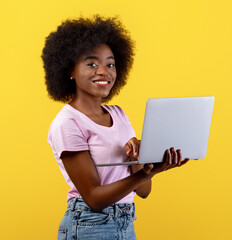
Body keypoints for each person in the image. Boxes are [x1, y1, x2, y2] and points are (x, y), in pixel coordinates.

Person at [42, 15, 189, 240]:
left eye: (110, 64)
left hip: (125, 222)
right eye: (92, 64)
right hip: (89, 224)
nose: (104, 71)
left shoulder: (119, 115)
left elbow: (143, 191)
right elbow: (94, 198)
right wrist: (146, 173)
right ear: (70, 70)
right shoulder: (67, 123)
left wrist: (144, 160)